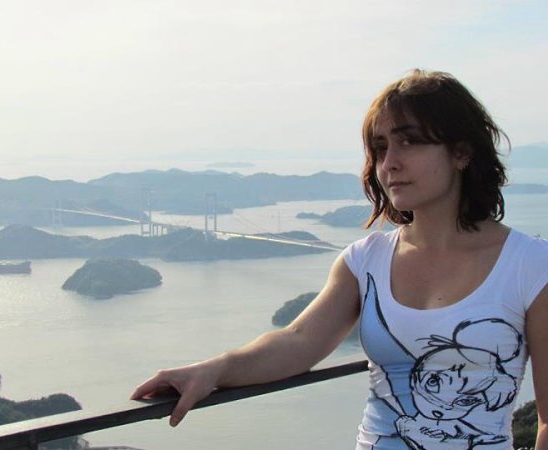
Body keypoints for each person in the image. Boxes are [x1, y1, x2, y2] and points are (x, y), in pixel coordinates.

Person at [131, 69, 548, 449]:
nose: (389, 164)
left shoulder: (529, 266)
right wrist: (212, 371)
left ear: (461, 152)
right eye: (380, 148)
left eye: (409, 141)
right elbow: (298, 341)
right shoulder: (366, 261)